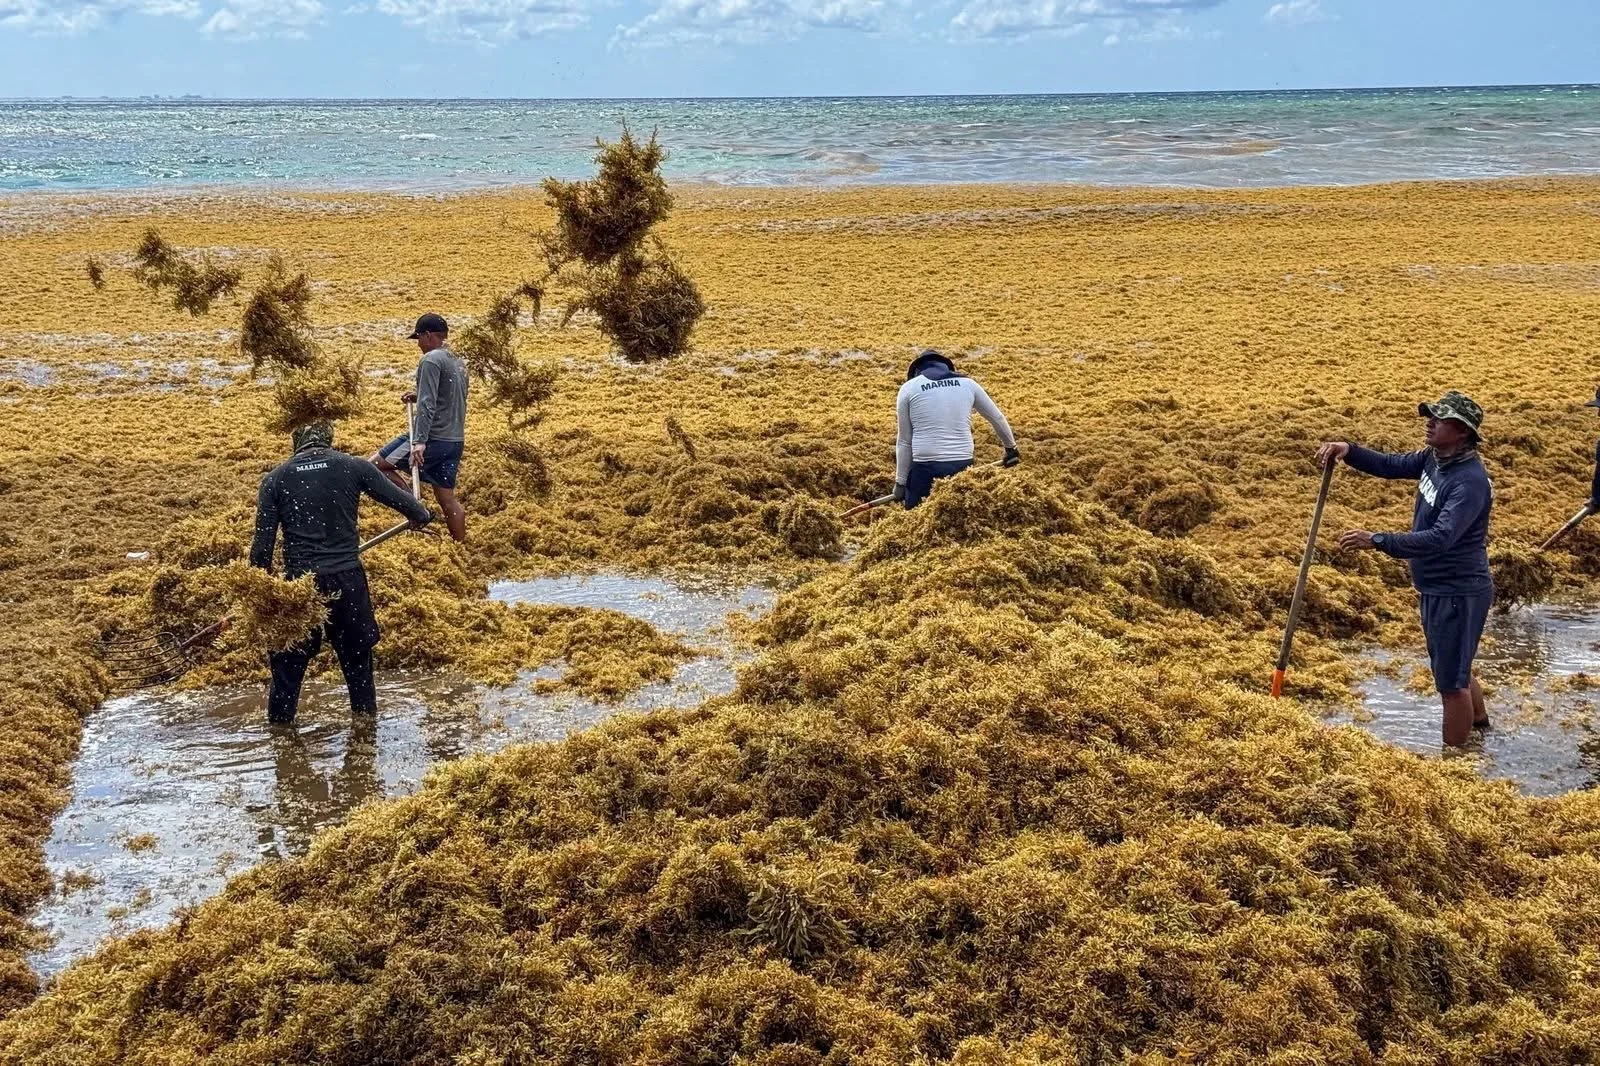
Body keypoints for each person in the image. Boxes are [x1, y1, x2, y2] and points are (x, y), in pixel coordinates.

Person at [1316, 390, 1494, 748]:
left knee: (1450, 683)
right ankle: (1482, 728)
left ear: (1462, 431)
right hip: (1438, 587)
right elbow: (1391, 465)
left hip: (1457, 590)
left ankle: (1456, 766)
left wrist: (1378, 540)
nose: (1429, 423)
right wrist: (1348, 450)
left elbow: (1441, 538)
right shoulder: (1435, 458)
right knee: (1456, 663)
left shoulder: (1468, 482)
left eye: (1438, 419)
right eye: (1430, 416)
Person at [251, 420, 433, 726]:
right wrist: (421, 513)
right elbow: (414, 510)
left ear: (297, 442)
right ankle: (364, 729)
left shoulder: (276, 479)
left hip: (300, 585)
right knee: (357, 660)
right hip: (346, 579)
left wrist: (259, 595)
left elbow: (261, 551)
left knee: (287, 665)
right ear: (329, 438)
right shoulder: (353, 467)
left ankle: (282, 737)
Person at [371, 312, 469, 542]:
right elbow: (450, 394)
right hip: (454, 440)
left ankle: (415, 509)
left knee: (375, 466)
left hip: (432, 436)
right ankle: (461, 546)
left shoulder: (431, 359)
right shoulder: (457, 359)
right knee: (447, 499)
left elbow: (427, 405)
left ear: (428, 335)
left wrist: (419, 442)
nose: (419, 345)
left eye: (418, 339)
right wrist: (420, 393)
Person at [894, 349, 1020, 509]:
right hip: (962, 464)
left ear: (918, 370)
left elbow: (904, 441)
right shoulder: (969, 384)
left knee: (916, 520)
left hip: (925, 467)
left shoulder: (908, 388)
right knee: (960, 516)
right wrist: (1011, 449)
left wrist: (900, 482)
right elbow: (997, 418)